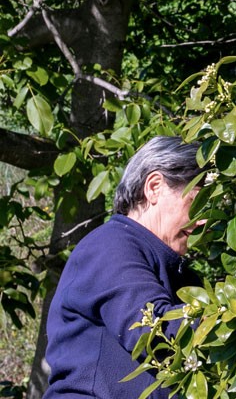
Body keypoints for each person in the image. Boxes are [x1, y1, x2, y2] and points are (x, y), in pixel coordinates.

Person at [44, 136, 205, 399]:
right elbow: (154, 333)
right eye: (198, 203)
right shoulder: (110, 244)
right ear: (154, 187)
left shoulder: (184, 277)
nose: (205, 221)